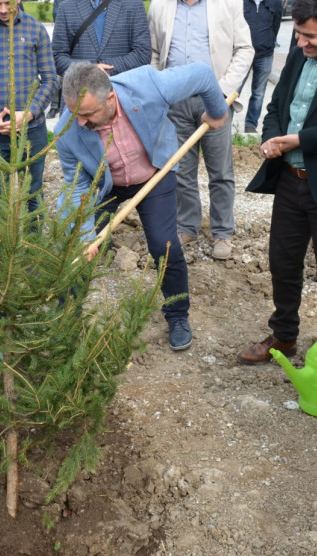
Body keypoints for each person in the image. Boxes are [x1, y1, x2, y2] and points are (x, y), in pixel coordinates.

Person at [55, 61, 229, 351]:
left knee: (164, 245)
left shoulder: (148, 86)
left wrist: (217, 112)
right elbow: (77, 187)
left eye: (86, 114)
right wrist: (85, 235)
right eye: (75, 114)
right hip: (104, 185)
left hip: (154, 175)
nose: (80, 122)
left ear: (110, 98)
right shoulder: (67, 129)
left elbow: (202, 75)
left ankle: (177, 315)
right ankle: (65, 322)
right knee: (75, 246)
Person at [239, 0, 317, 365]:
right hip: (290, 181)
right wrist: (272, 137)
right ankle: (284, 335)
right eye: (297, 33)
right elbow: (276, 106)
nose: (301, 43)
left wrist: (299, 141)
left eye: (310, 36)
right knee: (283, 261)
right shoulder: (298, 56)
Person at [149, 0, 253, 260]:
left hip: (215, 98)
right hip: (175, 100)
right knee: (182, 169)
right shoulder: (160, 5)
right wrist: (159, 88)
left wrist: (222, 91)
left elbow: (244, 49)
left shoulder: (228, 3)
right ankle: (187, 226)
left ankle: (222, 232)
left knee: (220, 172)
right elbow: (154, 53)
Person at [0, 0, 57, 216]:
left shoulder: (36, 30)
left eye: (9, 2)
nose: (4, 9)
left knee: (33, 193)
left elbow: (50, 79)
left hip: (32, 130)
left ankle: (33, 246)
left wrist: (29, 114)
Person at [241, 0, 283, 134]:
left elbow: (276, 26)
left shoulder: (275, 3)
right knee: (234, 90)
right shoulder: (241, 2)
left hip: (265, 54)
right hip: (243, 54)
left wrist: (269, 43)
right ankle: (224, 122)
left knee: (258, 93)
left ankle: (250, 125)